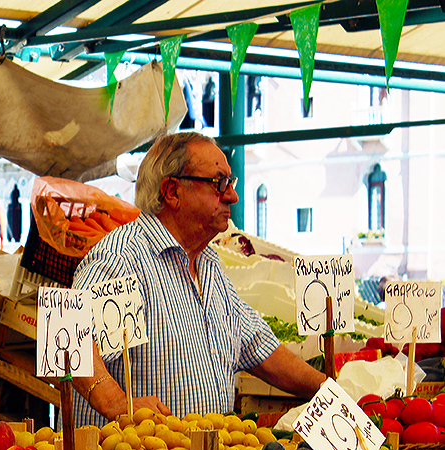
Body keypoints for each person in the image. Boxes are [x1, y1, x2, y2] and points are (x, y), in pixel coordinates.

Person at [71, 131, 325, 424]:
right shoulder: (124, 259)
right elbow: (74, 335)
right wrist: (114, 401)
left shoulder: (209, 264)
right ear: (173, 192)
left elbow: (257, 345)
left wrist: (330, 389)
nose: (232, 195)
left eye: (230, 182)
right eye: (219, 183)